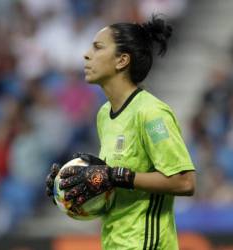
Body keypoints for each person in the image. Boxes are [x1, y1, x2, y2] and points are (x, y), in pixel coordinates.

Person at [46, 14, 196, 250]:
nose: (86, 54)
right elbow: (112, 193)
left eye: (97, 47)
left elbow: (184, 181)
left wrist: (117, 176)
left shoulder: (151, 112)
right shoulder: (104, 114)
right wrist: (69, 194)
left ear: (122, 60)